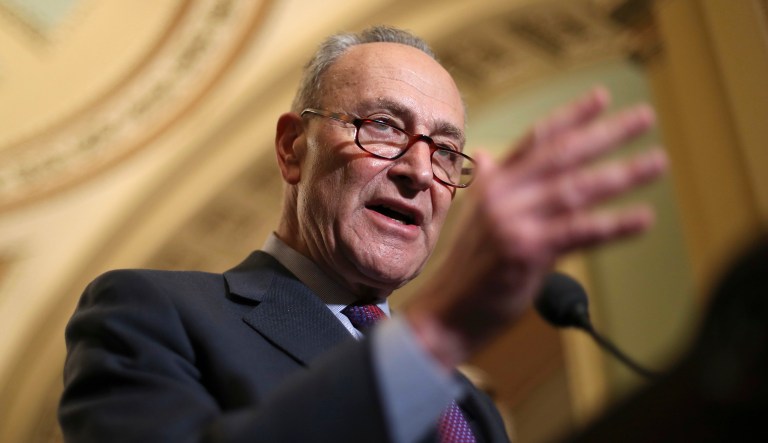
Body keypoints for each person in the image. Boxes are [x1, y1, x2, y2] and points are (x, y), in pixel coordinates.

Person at [58, 26, 668, 443]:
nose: (419, 170)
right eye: (382, 126)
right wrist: (437, 332)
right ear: (293, 149)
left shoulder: (467, 403)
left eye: (448, 152)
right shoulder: (149, 312)